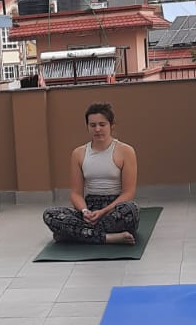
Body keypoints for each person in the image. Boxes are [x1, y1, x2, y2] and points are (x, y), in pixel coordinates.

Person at [43, 101, 140, 245]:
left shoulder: (126, 151)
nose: (97, 129)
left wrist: (104, 211)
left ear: (111, 125)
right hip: (90, 208)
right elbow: (76, 193)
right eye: (93, 125)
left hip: (115, 208)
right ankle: (108, 237)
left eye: (102, 124)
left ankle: (75, 234)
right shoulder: (78, 153)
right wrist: (84, 211)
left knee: (131, 210)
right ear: (87, 127)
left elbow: (128, 193)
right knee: (50, 214)